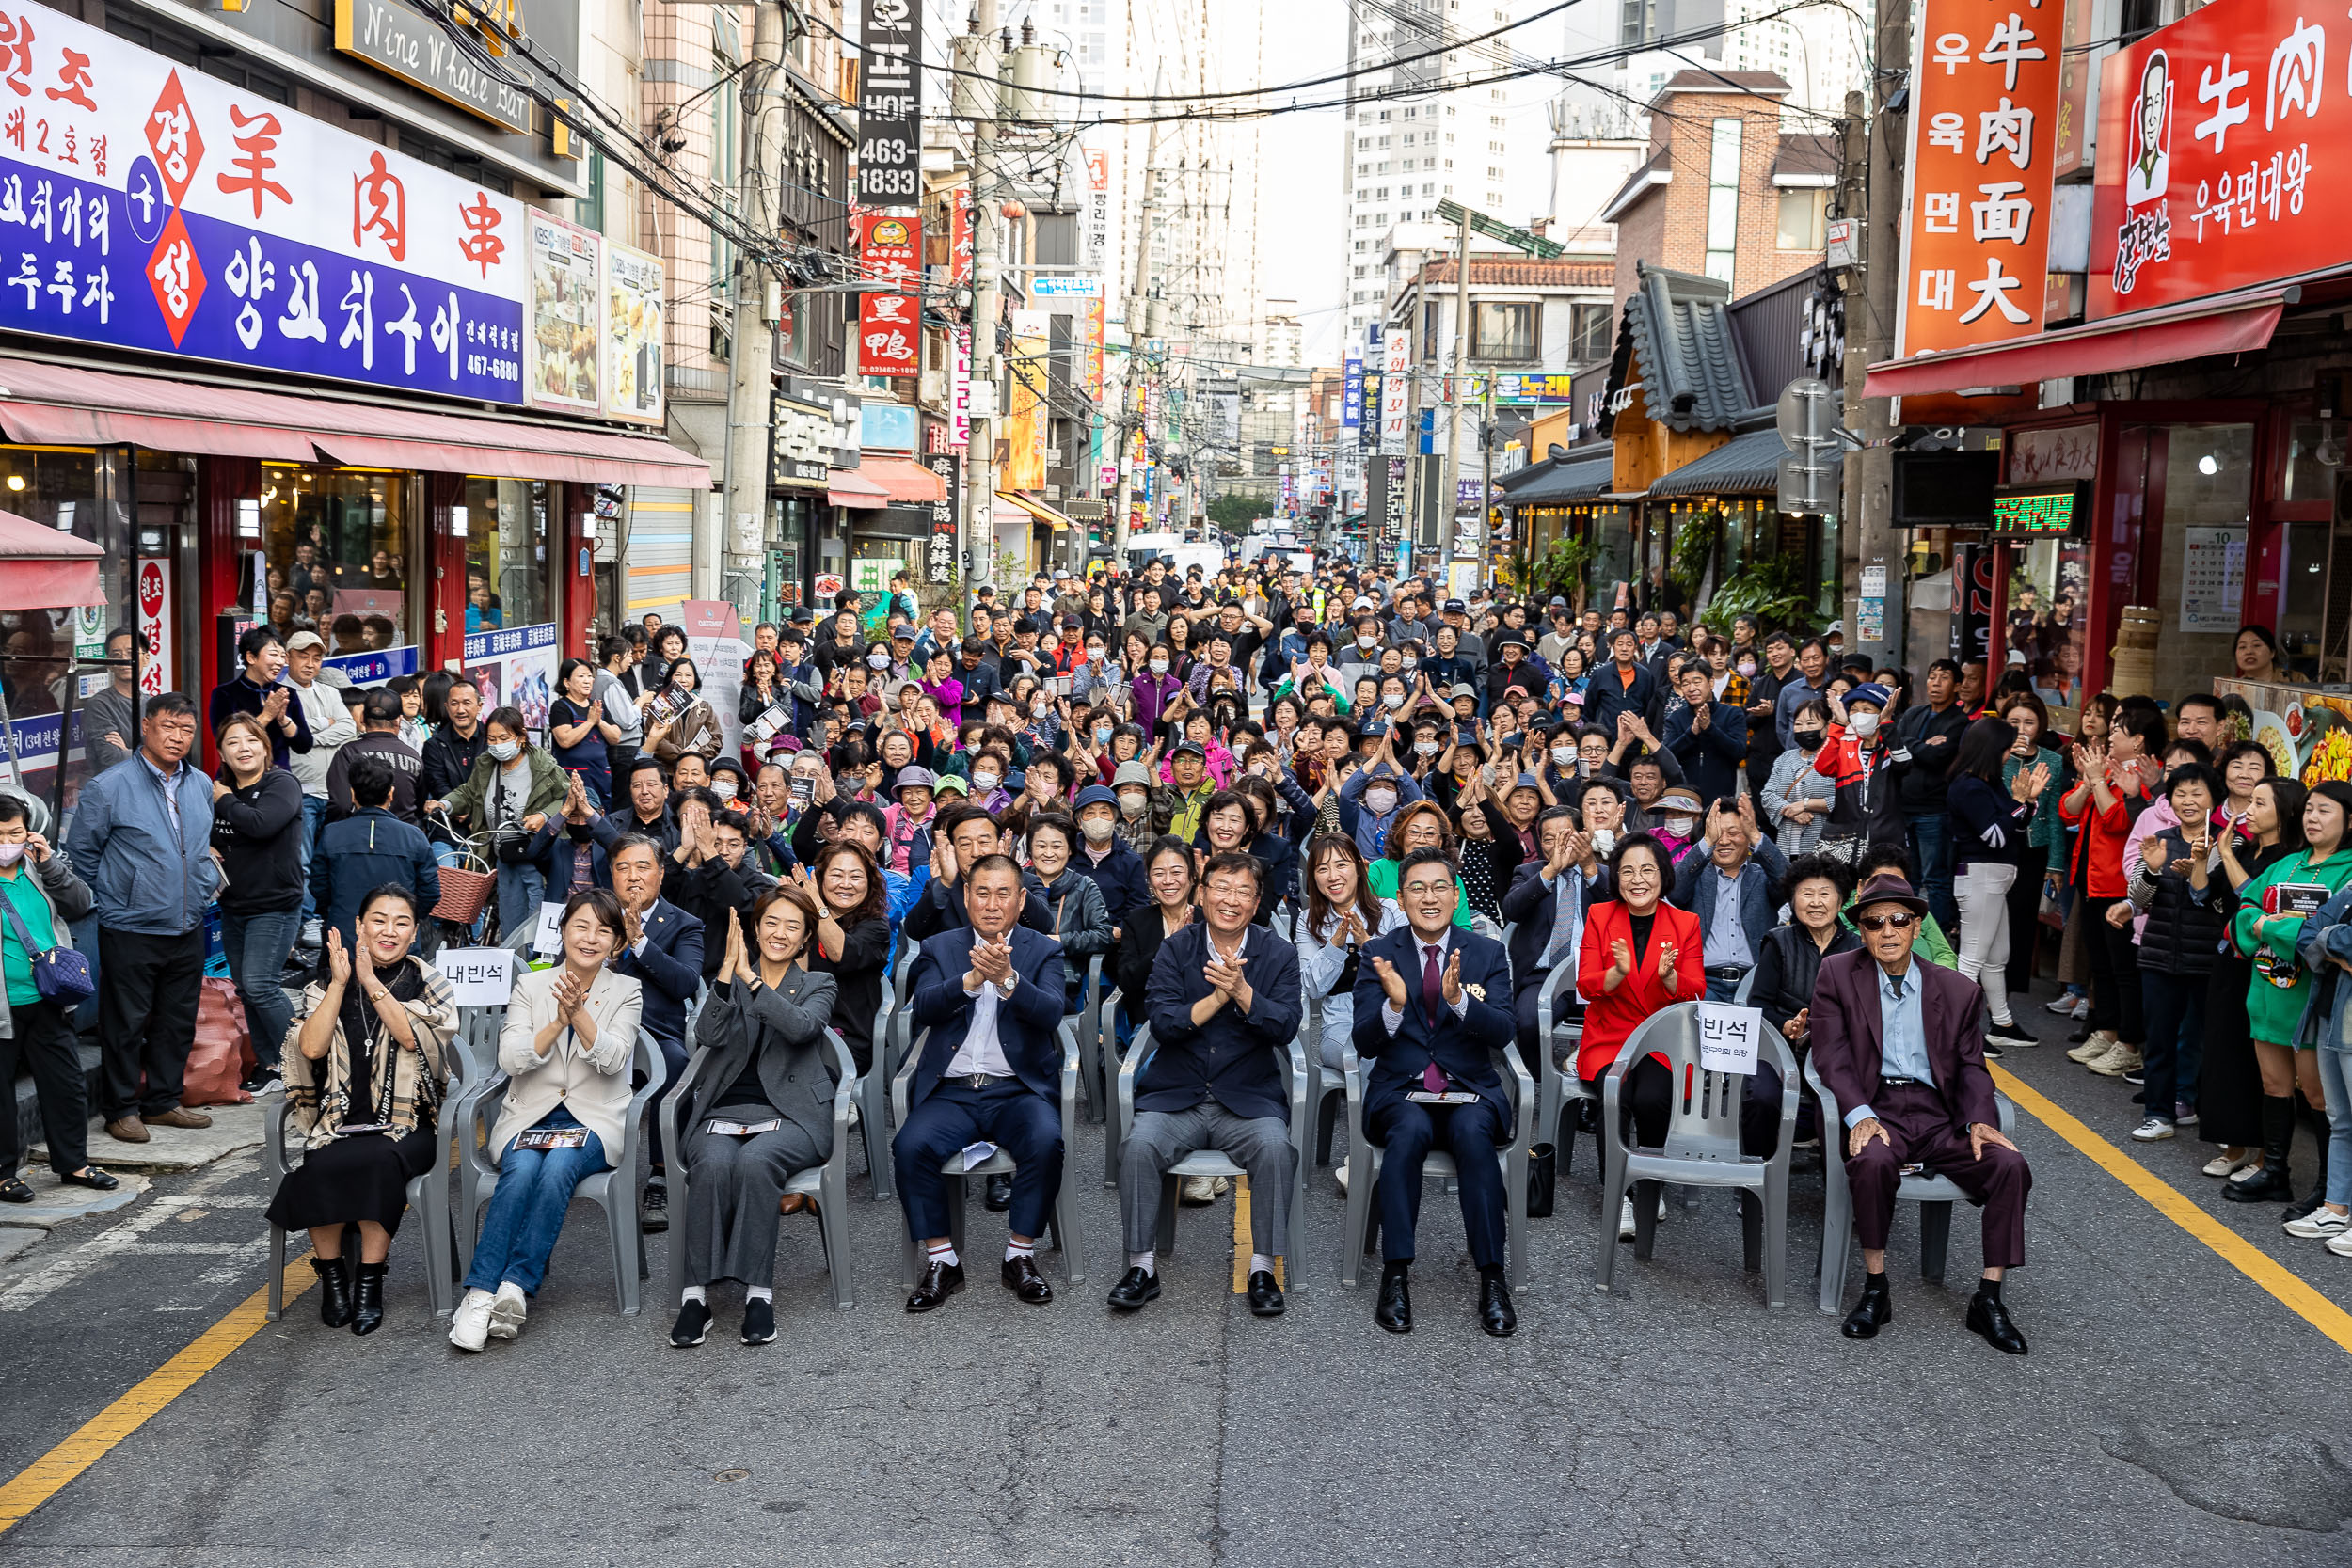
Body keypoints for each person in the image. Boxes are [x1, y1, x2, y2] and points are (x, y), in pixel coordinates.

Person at [1810, 871, 2032, 1354]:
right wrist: (1860, 1114)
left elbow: (1973, 1066)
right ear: (1861, 930)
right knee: (1870, 1162)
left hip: (1939, 1114)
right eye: (1874, 922)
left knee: (2009, 1165)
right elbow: (1832, 1056)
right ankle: (1876, 1287)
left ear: (1916, 927)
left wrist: (1979, 1120)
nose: (1887, 931)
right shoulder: (1837, 975)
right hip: (1878, 1105)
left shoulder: (1956, 990)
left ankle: (1989, 1297)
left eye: (1899, 920)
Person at [446, 889, 644, 1351]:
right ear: (562, 930)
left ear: (616, 942)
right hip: (529, 1114)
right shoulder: (531, 986)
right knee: (520, 1171)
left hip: (593, 1117)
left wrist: (582, 1017)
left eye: (603, 930)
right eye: (581, 926)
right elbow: (511, 1059)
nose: (590, 938)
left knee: (558, 1166)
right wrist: (557, 1022)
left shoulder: (626, 990)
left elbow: (615, 1061)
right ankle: (481, 1295)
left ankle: (514, 1284)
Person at [1114, 851, 1301, 1316]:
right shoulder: (1177, 948)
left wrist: (1242, 992)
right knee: (1138, 1147)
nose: (1230, 900)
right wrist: (1218, 998)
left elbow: (1286, 1027)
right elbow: (1164, 1023)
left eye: (1243, 892)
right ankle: (1141, 1266)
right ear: (1202, 893)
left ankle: (1262, 1268)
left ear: (1258, 902)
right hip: (1178, 1093)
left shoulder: (1277, 953)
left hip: (1247, 1096)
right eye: (1221, 888)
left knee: (1276, 1149)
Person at [267, 888, 461, 1336]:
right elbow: (311, 1047)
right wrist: (339, 984)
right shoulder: (323, 984)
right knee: (320, 1164)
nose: (388, 931)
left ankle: (370, 1280)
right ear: (359, 926)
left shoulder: (431, 984)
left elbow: (414, 1038)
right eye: (378, 920)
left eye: (401, 922)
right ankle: (333, 1277)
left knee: (378, 1160)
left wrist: (369, 979)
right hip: (338, 1121)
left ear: (414, 933)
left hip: (409, 1123)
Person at [1348, 845, 1518, 1337]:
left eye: (1440, 885)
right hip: (1401, 1089)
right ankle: (1396, 1273)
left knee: (1473, 1134)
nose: (1430, 896)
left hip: (1469, 1089)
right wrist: (1395, 1007)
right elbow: (1362, 1039)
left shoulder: (1486, 952)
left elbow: (1504, 1031)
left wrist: (1460, 1001)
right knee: (1407, 1131)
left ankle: (1492, 1278)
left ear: (1456, 891)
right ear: (1400, 898)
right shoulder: (1379, 954)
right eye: (1417, 888)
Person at [663, 884, 840, 1348]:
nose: (779, 933)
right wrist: (726, 977)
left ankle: (758, 1294)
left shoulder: (819, 984)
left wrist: (755, 981)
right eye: (771, 923)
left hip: (793, 1112)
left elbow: (803, 1029)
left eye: (792, 927)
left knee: (757, 1161)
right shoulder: (730, 978)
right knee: (714, 1162)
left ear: (805, 939)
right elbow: (705, 1035)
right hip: (723, 1109)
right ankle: (695, 1296)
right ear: (755, 929)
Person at [896, 853, 1071, 1312]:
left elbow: (1052, 1012)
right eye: (981, 893)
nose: (992, 904)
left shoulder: (1043, 949)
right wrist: (972, 980)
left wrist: (1008, 979)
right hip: (953, 1091)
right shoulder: (941, 947)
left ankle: (1019, 1254)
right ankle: (942, 1259)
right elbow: (926, 1008)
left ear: (1021, 900)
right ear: (967, 897)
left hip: (1016, 1089)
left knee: (1045, 1139)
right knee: (911, 1145)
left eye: (1003, 894)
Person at [68, 692, 220, 1145]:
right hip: (131, 925)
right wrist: (119, 898)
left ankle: (162, 1101)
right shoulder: (109, 786)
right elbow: (82, 856)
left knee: (176, 1019)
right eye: (169, 727)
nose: (177, 738)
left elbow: (199, 847)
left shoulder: (198, 784)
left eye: (187, 730)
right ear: (147, 727)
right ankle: (121, 1109)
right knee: (125, 1023)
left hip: (188, 922)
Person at [2222, 779, 2352, 1210]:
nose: (2313, 818)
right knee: (2274, 1084)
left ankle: (2329, 1188)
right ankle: (2276, 1172)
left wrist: (2268, 926)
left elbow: (2323, 937)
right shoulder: (2290, 863)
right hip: (2267, 989)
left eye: (2325, 811)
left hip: (2313, 998)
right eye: (2310, 809)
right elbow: (2244, 911)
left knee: (2318, 1095)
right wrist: (2271, 926)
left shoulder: (2349, 871)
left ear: (2349, 819)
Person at [1576, 832, 1705, 1241]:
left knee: (1653, 1098)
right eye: (1627, 870)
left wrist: (1670, 978)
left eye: (1647, 869)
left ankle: (1651, 1185)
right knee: (1614, 1098)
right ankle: (1621, 1194)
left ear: (1663, 875)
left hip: (1661, 1039)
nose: (1637, 879)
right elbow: (1585, 984)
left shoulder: (1685, 923)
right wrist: (1614, 974)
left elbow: (1697, 988)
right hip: (1609, 1036)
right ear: (1616, 876)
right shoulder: (1600, 915)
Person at [0, 794, 112, 1206]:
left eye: (15, 832)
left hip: (49, 996)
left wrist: (50, 863)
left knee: (64, 1083)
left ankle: (74, 1163)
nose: (8, 841)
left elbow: (81, 904)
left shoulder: (36, 868)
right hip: (3, 1007)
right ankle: (3, 1173)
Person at [603, 832, 705, 1232]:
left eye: (643, 867)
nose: (633, 876)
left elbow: (684, 983)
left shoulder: (684, 924)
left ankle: (661, 1174)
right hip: (596, 1028)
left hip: (656, 1034)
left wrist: (640, 942)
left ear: (661, 875)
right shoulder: (594, 916)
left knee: (677, 1065)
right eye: (623, 867)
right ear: (610, 875)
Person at [2128, 764, 2225, 1144]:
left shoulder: (2226, 843)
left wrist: (2205, 868)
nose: (2188, 801)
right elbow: (2137, 902)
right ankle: (2159, 1113)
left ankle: (2206, 1111)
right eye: (2180, 793)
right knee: (2160, 1037)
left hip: (2209, 958)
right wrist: (2151, 872)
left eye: (2197, 793)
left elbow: (2224, 903)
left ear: (2213, 800)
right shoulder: (2158, 840)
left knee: (2207, 1039)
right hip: (2158, 954)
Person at [211, 714, 307, 1096]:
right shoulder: (220, 792)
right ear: (222, 752)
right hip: (235, 904)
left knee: (260, 984)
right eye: (233, 743)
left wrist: (225, 799)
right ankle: (271, 1065)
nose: (243, 749)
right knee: (246, 989)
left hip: (276, 904)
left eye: (251, 740)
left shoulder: (281, 784)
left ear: (266, 749)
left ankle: (303, 1061)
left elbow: (261, 824)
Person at [1947, 718, 2051, 1054]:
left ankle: (2002, 1023)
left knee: (1995, 957)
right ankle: (1958, 1032)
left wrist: (2027, 803)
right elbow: (1995, 835)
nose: (2009, 755)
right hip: (1980, 877)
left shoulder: (1987, 783)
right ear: (1992, 750)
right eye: (2006, 748)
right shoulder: (1968, 787)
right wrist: (2022, 805)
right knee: (1973, 958)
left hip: (1992, 880)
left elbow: (2015, 827)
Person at [434, 706, 565, 940]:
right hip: (503, 854)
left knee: (537, 923)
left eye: (504, 738)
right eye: (492, 739)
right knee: (511, 923)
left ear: (521, 737)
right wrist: (445, 804)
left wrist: (543, 816)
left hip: (537, 855)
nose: (497, 745)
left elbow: (567, 797)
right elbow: (469, 792)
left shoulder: (543, 765)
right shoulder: (486, 763)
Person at [310, 755, 440, 962]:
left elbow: (319, 887)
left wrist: (333, 912)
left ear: (352, 793)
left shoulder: (332, 834)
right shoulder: (414, 836)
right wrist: (406, 920)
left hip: (344, 942)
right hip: (397, 944)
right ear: (391, 794)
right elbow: (430, 892)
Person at [1668, 795, 1789, 1003]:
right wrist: (1707, 841)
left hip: (1754, 983)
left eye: (1733, 833)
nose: (1724, 841)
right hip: (1704, 983)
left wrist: (1756, 835)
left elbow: (1790, 884)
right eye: (1717, 834)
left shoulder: (1762, 876)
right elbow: (1675, 890)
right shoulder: (1696, 875)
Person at [1750, 853, 1860, 1064]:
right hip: (1780, 1046)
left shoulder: (1857, 948)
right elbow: (1758, 1004)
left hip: (1840, 1049)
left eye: (1825, 894)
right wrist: (1787, 1024)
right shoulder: (1777, 942)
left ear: (1841, 902)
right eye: (1807, 894)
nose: (1816, 902)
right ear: (1793, 901)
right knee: (1762, 1095)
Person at [801, 841, 892, 1074]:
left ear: (870, 882)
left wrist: (817, 906)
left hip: (846, 1037)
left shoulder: (875, 925)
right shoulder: (804, 918)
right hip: (799, 1024)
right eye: (837, 875)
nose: (845, 884)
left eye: (856, 877)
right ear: (820, 879)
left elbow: (840, 953)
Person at [1896, 659, 1971, 929]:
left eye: (1944, 677)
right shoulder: (1914, 714)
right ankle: (1908, 934)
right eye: (1932, 676)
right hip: (1904, 806)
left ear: (1958, 686)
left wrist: (1911, 746)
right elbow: (1894, 745)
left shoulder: (1959, 722)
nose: (1936, 683)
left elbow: (1937, 757)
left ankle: (1936, 939)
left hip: (1934, 811)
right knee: (1909, 878)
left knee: (1935, 878)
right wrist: (1919, 745)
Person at [1024, 815, 1114, 1012]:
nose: (1048, 853)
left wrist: (1060, 940)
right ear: (1030, 848)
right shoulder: (1016, 883)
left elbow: (1103, 935)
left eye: (1056, 846)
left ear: (1070, 849)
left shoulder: (1084, 886)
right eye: (1041, 846)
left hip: (1063, 977)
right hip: (1017, 969)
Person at [205, 626, 313, 772]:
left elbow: (304, 745)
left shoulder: (287, 693)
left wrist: (283, 720)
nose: (280, 662)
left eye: (283, 656)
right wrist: (267, 715)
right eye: (274, 654)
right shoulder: (224, 694)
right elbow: (225, 740)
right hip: (237, 779)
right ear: (251, 657)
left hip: (278, 780)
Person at [324, 688, 424, 824]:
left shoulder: (348, 753)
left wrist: (339, 831)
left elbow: (340, 804)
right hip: (405, 837)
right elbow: (420, 806)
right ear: (398, 721)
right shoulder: (414, 756)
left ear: (362, 718)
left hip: (358, 836)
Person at [1661, 661, 1746, 807]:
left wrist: (1709, 728)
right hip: (1684, 799)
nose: (1691, 688)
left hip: (1721, 799)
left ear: (1711, 682)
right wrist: (1691, 734)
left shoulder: (1732, 714)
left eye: (1697, 681)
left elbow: (1738, 752)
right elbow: (1667, 756)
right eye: (1685, 684)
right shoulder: (1676, 718)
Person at [548, 657, 619, 810]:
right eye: (581, 676)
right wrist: (590, 722)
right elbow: (565, 740)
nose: (587, 680)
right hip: (573, 778)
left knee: (601, 818)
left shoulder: (597, 706)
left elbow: (615, 737)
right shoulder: (560, 707)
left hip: (600, 776)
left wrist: (599, 721)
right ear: (567, 682)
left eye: (589, 676)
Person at [80, 627, 142, 777]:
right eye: (116, 654)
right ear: (109, 662)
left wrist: (127, 751)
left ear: (146, 658)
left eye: (130, 653)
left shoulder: (154, 704)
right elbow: (113, 760)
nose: (124, 659)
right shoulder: (99, 705)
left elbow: (169, 756)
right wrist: (147, 752)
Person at [647, 659, 723, 774]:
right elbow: (653, 737)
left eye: (688, 675)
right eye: (678, 675)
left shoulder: (704, 707)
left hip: (695, 772)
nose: (683, 680)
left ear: (695, 679)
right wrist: (681, 754)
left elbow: (716, 740)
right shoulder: (661, 704)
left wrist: (697, 755)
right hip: (665, 772)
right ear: (670, 677)